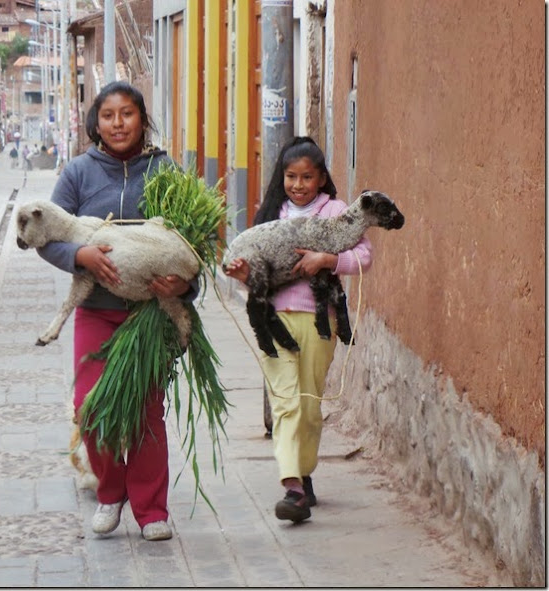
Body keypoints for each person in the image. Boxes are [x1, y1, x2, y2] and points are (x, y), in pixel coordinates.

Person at [36, 81, 197, 542]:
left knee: (146, 411)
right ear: (96, 123)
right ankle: (111, 493)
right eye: (108, 115)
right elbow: (47, 234)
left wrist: (184, 284)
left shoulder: (165, 170)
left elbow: (193, 238)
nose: (118, 123)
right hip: (96, 311)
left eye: (127, 114)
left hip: (150, 315)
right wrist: (79, 258)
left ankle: (151, 510)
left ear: (142, 119)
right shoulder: (78, 174)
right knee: (91, 407)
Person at [224, 136, 372, 523]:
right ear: (282, 178)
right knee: (286, 402)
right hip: (274, 320)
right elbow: (256, 271)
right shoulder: (273, 214)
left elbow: (364, 256)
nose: (299, 184)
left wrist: (326, 259)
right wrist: (243, 274)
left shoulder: (337, 212)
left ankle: (303, 475)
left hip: (320, 322)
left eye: (307, 176)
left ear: (322, 178)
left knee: (308, 406)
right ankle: (291, 486)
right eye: (291, 176)